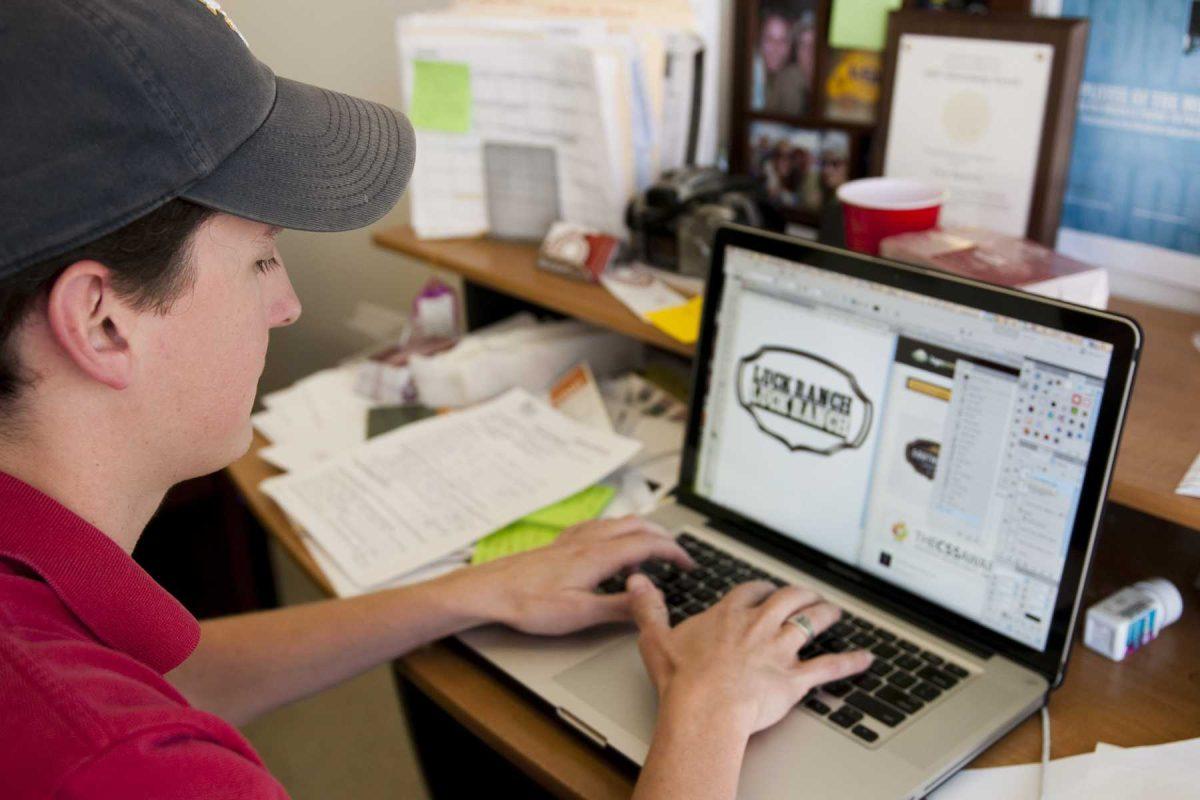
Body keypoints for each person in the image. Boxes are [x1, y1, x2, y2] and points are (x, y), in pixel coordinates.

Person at [0, 2, 870, 798]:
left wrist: (472, 593)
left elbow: (168, 674)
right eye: (262, 257)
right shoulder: (127, 768)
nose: (288, 304)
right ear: (104, 322)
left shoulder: (48, 629)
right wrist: (709, 710)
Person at [752, 6, 812, 117]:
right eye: (769, 39)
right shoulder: (751, 73)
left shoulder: (789, 76)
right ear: (758, 40)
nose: (776, 48)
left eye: (783, 40)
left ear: (790, 46)